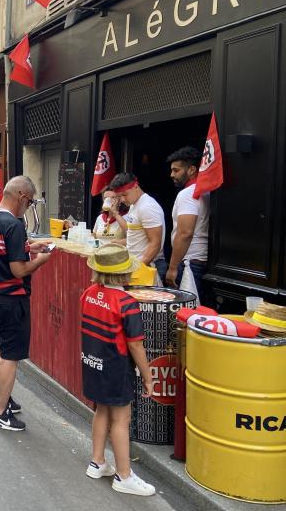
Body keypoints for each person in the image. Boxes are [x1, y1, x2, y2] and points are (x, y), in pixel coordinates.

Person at [0, 176, 51, 431]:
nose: (28, 206)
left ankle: (2, 399)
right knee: (11, 355)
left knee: (3, 348)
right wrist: (40, 259)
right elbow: (18, 269)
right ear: (21, 196)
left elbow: (0, 253)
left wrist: (29, 246)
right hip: (11, 297)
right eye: (29, 202)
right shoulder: (13, 224)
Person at [81, 243, 155, 496]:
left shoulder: (89, 292)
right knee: (121, 420)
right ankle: (124, 476)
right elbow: (136, 347)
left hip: (93, 362)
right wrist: (148, 377)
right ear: (124, 273)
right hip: (117, 367)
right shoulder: (127, 302)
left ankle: (97, 461)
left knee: (101, 409)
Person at [166, 146, 209, 297]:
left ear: (191, 170)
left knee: (185, 313)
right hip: (201, 259)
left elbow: (185, 233)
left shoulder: (188, 193)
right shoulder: (208, 191)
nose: (172, 174)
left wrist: (172, 267)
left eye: (176, 170)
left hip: (189, 262)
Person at [109, 173, 166, 284]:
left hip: (146, 267)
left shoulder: (147, 207)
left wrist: (137, 269)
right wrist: (119, 242)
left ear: (135, 186)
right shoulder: (134, 205)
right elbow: (136, 235)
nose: (122, 199)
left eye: (124, 194)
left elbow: (155, 243)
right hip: (134, 265)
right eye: (119, 196)